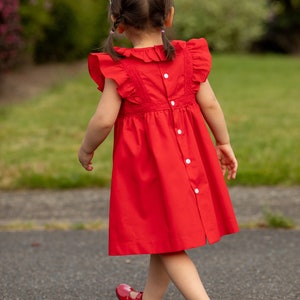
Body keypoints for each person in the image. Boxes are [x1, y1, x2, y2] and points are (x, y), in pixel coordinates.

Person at [78, 0, 239, 299]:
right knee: (164, 234)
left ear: (118, 20)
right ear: (170, 16)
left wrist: (86, 149)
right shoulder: (187, 58)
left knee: (166, 239)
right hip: (189, 159)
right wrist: (223, 141)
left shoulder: (122, 68)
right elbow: (210, 103)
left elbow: (103, 120)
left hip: (149, 169)